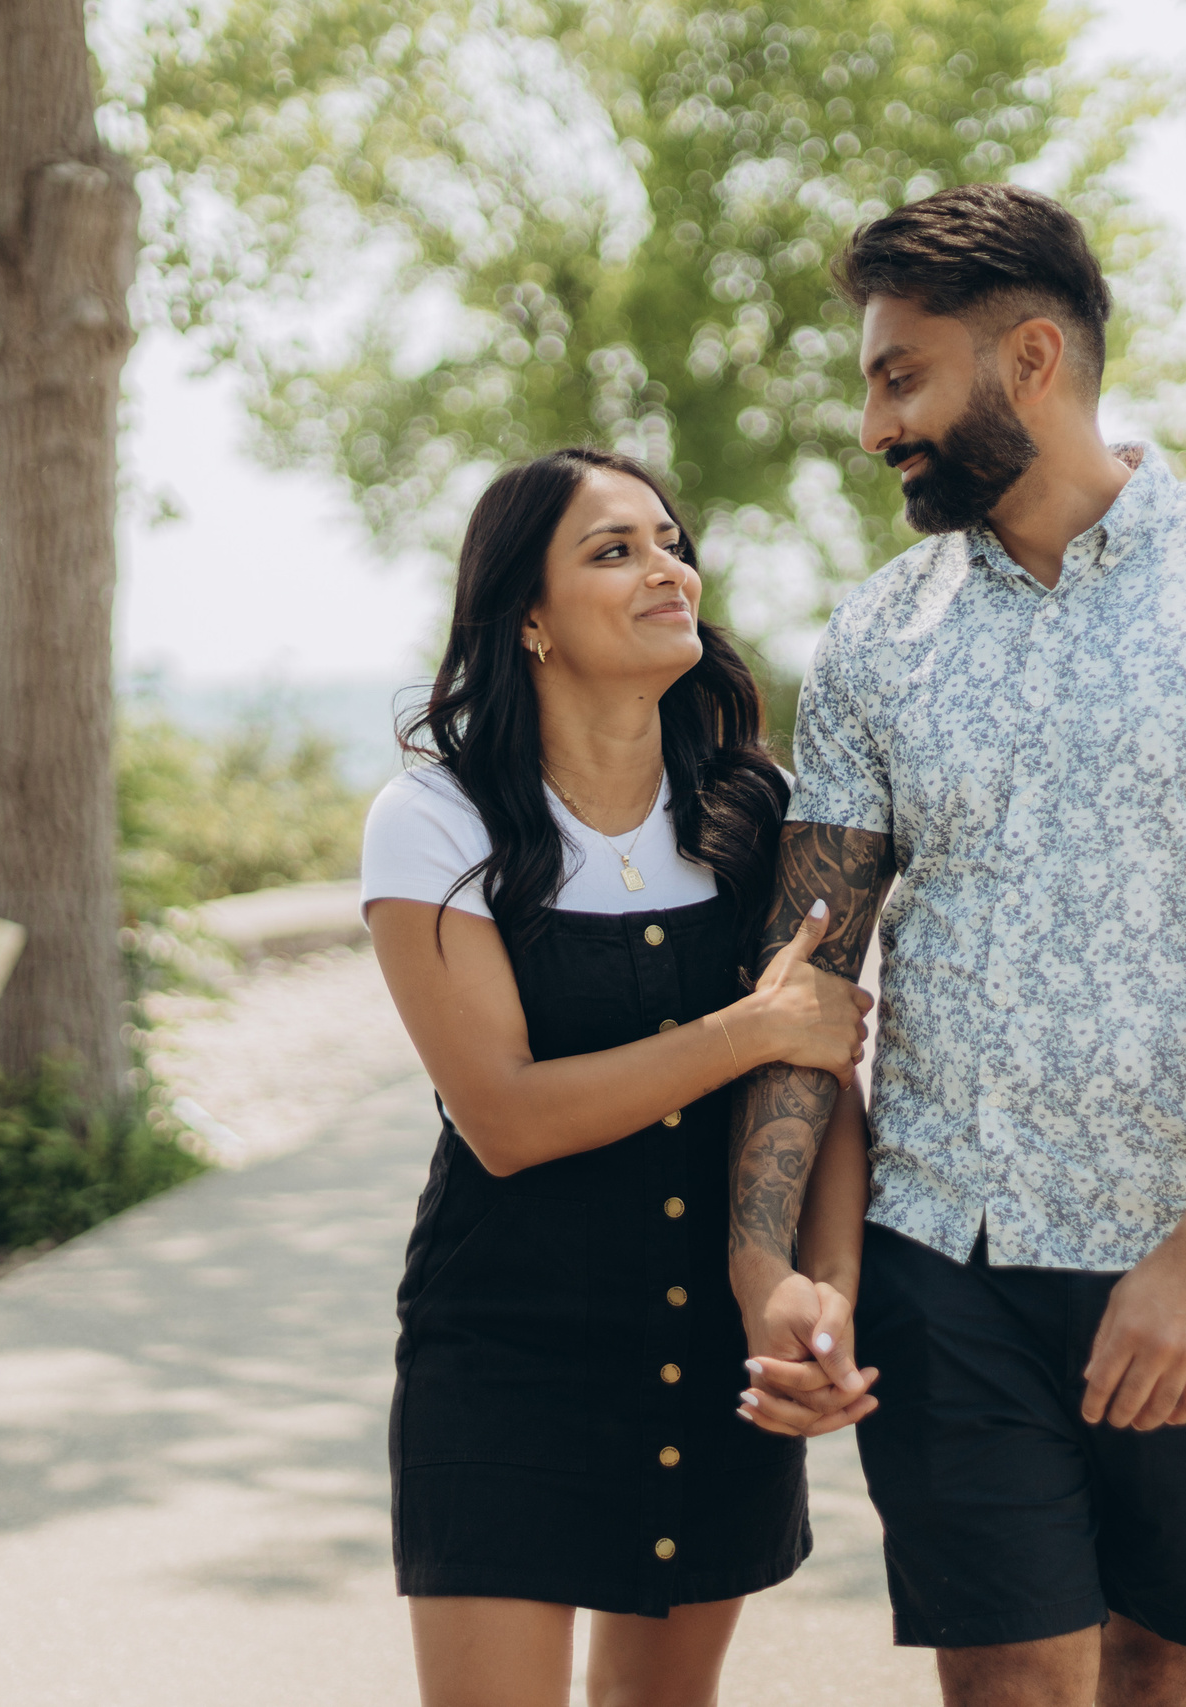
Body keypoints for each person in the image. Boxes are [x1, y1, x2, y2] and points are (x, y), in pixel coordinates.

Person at [729, 183, 1186, 1707]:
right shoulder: (875, 641)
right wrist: (780, 1270)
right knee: (1015, 1682)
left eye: (900, 374)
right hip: (945, 1253)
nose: (872, 425)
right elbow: (808, 988)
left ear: (1029, 357)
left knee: (1161, 1667)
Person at [361, 446, 881, 1707]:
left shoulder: (764, 812)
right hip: (506, 1362)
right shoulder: (438, 824)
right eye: (614, 550)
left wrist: (825, 1295)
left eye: (669, 541)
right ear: (526, 618)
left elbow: (816, 1085)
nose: (667, 571)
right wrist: (748, 1030)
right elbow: (504, 1119)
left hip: (715, 1362)